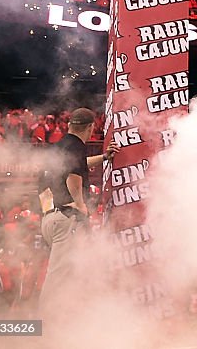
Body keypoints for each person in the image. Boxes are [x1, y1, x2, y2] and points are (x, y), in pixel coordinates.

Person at [36, 108, 118, 321]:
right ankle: (45, 328)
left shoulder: (59, 146)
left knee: (74, 270)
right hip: (66, 217)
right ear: (91, 128)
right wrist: (80, 205)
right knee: (58, 277)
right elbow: (74, 177)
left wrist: (104, 157)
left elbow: (73, 167)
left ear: (70, 125)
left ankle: (69, 321)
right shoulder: (76, 145)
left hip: (51, 217)